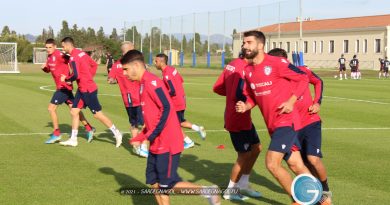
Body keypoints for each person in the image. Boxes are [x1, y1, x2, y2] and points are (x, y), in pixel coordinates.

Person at [123, 50, 221, 205]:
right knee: (154, 182)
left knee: (167, 185)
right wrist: (141, 137)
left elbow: (167, 107)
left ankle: (207, 191)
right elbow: (152, 117)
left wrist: (151, 134)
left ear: (136, 65)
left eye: (126, 69)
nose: (124, 73)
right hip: (156, 143)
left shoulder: (152, 82)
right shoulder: (142, 84)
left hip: (167, 142)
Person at [235, 30, 311, 205]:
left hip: (287, 121)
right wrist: (246, 105)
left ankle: (299, 200)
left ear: (260, 45)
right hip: (273, 125)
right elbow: (252, 96)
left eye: (248, 42)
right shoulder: (247, 70)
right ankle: (320, 199)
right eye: (244, 43)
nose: (244, 46)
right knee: (296, 165)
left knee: (271, 164)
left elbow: (302, 78)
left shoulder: (277, 63)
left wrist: (292, 101)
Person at [268, 48, 332, 205]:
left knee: (313, 159)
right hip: (291, 126)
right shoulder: (275, 80)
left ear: (284, 61)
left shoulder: (302, 71)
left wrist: (317, 103)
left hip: (310, 121)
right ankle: (311, 196)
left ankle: (325, 191)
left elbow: (318, 81)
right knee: (300, 163)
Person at [213, 49, 262, 201]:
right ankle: (230, 190)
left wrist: (231, 96)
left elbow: (217, 87)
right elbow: (242, 94)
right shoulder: (245, 69)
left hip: (241, 117)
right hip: (238, 117)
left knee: (256, 148)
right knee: (244, 155)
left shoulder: (231, 65)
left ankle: (244, 184)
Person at [59, 37, 122, 147]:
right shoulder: (82, 53)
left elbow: (75, 75)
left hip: (88, 90)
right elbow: (94, 65)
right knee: (74, 112)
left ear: (68, 45)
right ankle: (73, 139)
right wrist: (88, 77)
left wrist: (66, 79)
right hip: (82, 88)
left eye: (63, 46)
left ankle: (117, 133)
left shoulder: (73, 57)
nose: (63, 49)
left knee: (97, 115)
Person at [41, 38, 95, 144]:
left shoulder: (60, 55)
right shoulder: (49, 56)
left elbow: (72, 61)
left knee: (51, 108)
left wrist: (69, 77)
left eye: (50, 47)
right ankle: (89, 128)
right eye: (46, 47)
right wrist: (44, 68)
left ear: (55, 47)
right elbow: (48, 69)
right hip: (62, 87)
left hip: (63, 87)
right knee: (74, 110)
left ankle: (56, 133)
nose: (48, 49)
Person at [154, 54, 206, 149]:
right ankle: (197, 130)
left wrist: (162, 96)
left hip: (176, 102)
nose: (155, 63)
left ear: (161, 62)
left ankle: (188, 141)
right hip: (181, 99)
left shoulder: (166, 74)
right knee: (179, 122)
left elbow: (172, 90)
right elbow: (180, 80)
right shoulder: (172, 69)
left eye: (156, 61)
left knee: (173, 124)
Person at [107, 41, 148, 157]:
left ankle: (136, 147)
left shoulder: (117, 64)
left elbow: (110, 79)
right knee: (146, 123)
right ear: (128, 50)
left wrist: (115, 80)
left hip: (129, 99)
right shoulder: (132, 63)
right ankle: (143, 147)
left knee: (134, 123)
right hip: (138, 97)